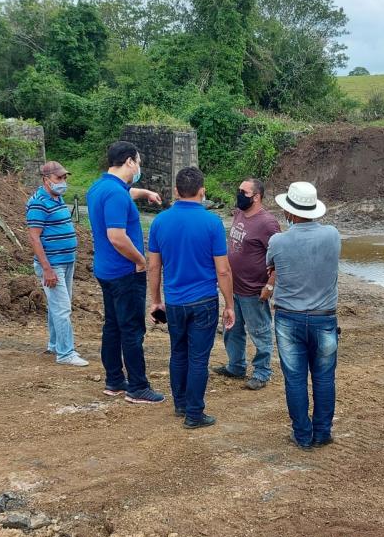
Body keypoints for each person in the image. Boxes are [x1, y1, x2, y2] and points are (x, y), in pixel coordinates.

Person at [148, 167, 236, 429]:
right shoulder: (212, 223)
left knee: (178, 353)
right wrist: (230, 305)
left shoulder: (160, 222)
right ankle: (195, 414)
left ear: (175, 191)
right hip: (204, 301)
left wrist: (155, 301)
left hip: (174, 301)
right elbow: (223, 269)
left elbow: (154, 267)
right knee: (199, 358)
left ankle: (181, 404)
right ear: (202, 191)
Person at [86, 141, 164, 404]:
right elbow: (117, 237)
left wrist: (145, 193)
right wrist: (141, 261)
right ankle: (138, 386)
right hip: (125, 272)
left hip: (105, 271)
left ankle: (115, 380)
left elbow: (124, 195)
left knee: (113, 326)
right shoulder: (116, 194)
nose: (139, 166)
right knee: (131, 329)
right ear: (130, 161)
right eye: (138, 161)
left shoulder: (100, 188)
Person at [267, 181, 341, 450]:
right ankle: (322, 432)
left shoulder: (278, 241)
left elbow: (271, 267)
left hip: (289, 318)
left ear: (290, 212)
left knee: (295, 379)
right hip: (324, 318)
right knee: (324, 378)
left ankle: (302, 434)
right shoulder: (333, 235)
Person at [214, 179, 281, 390]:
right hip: (233, 287)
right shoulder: (239, 213)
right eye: (239, 190)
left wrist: (270, 285)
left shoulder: (268, 224)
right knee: (231, 329)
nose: (239, 194)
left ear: (257, 197)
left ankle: (262, 372)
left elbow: (279, 257)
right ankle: (236, 366)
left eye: (244, 192)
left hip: (254, 290)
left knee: (260, 331)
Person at [26, 161, 87, 366]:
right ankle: (66, 353)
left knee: (57, 306)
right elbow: (34, 238)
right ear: (46, 180)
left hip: (66, 261)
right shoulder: (38, 203)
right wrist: (47, 269)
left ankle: (54, 344)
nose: (63, 182)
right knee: (62, 308)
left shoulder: (57, 197)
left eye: (64, 178)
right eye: (59, 178)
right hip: (53, 265)